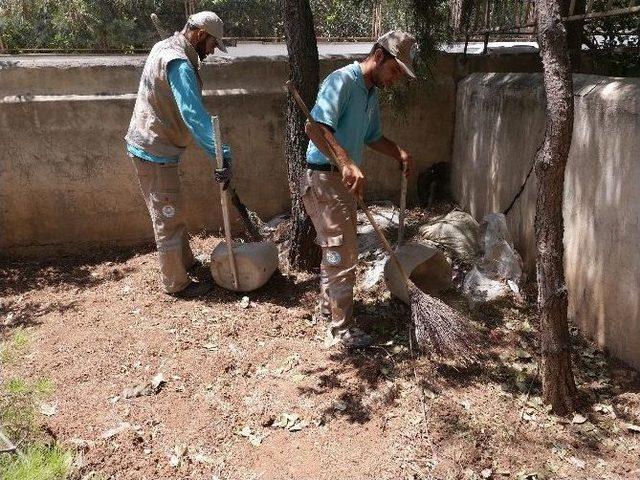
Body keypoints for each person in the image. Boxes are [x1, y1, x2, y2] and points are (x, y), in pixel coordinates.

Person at [302, 30, 419, 348]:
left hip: (341, 179)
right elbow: (314, 127)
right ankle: (341, 330)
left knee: (336, 250)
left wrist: (399, 152)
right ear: (379, 56)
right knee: (342, 252)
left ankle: (328, 312)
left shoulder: (370, 92)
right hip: (325, 178)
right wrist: (346, 162)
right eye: (395, 70)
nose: (395, 79)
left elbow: (371, 136)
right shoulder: (342, 81)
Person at [125, 11, 232, 298]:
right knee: (168, 218)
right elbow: (193, 115)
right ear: (199, 34)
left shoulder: (165, 47)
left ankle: (186, 264)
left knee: (173, 211)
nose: (211, 51)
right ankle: (177, 284)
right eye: (212, 44)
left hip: (155, 146)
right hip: (153, 151)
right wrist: (220, 154)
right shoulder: (179, 63)